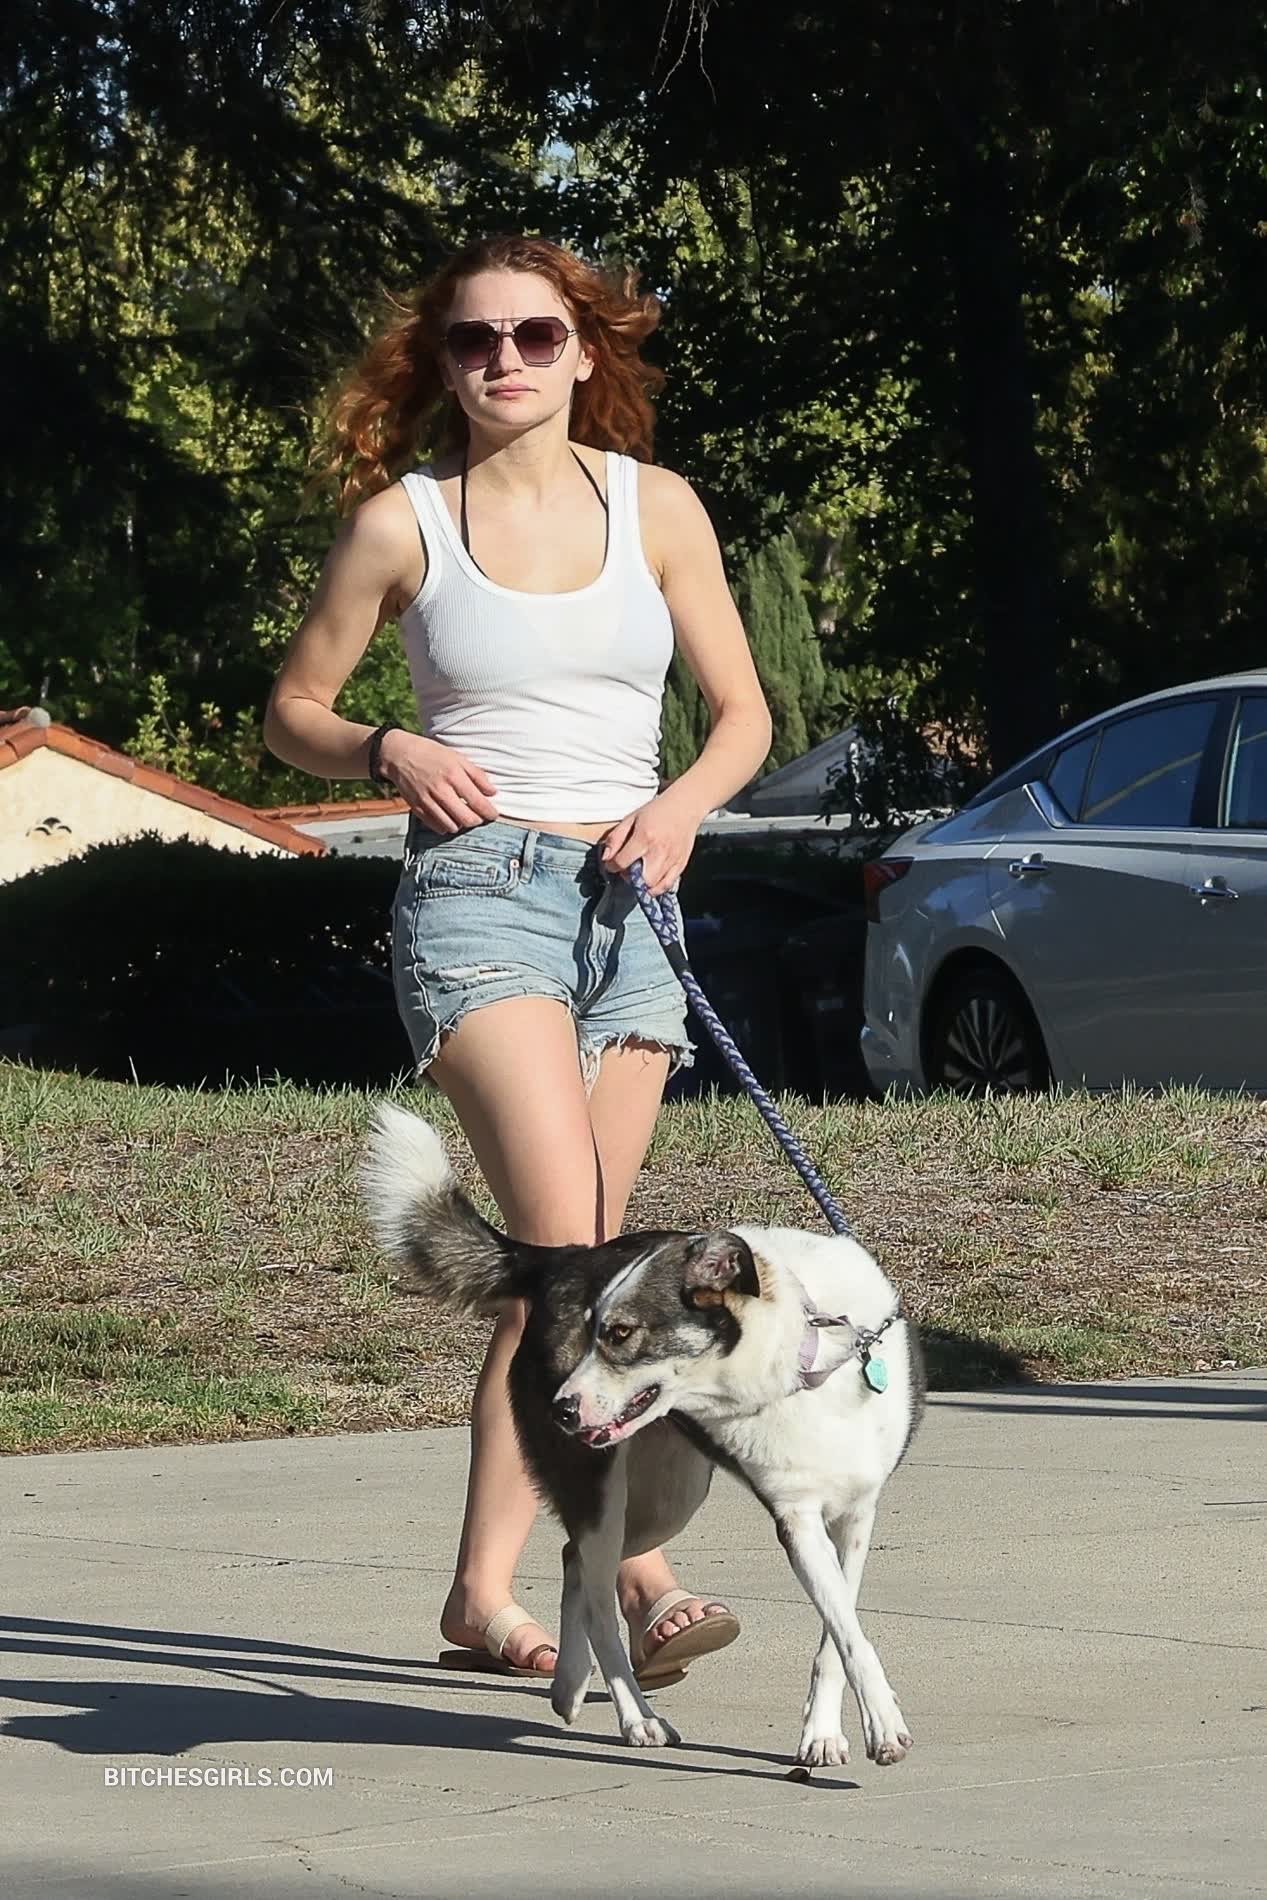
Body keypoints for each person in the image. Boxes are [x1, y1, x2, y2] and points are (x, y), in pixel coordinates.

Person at [264, 235, 772, 1685]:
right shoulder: (402, 523)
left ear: (582, 350)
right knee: (582, 1261)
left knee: (550, 1277)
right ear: (441, 361)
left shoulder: (657, 507)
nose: (506, 360)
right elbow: (290, 711)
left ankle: (481, 1596)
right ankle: (641, 1568)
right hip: (482, 896)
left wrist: (679, 809)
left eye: (535, 335)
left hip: (632, 904)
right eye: (475, 339)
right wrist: (387, 745)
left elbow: (740, 716)